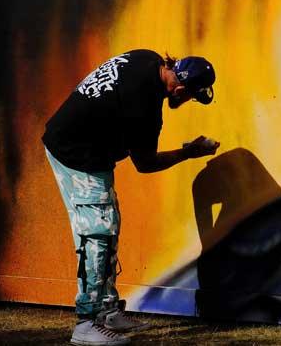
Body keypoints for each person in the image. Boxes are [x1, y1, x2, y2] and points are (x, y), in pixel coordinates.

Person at [42, 49, 221, 346]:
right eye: (191, 96)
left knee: (109, 226)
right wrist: (190, 152)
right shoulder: (146, 106)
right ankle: (86, 323)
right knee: (97, 233)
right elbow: (146, 164)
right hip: (75, 153)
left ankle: (108, 310)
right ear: (179, 89)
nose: (187, 101)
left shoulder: (145, 58)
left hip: (84, 147)